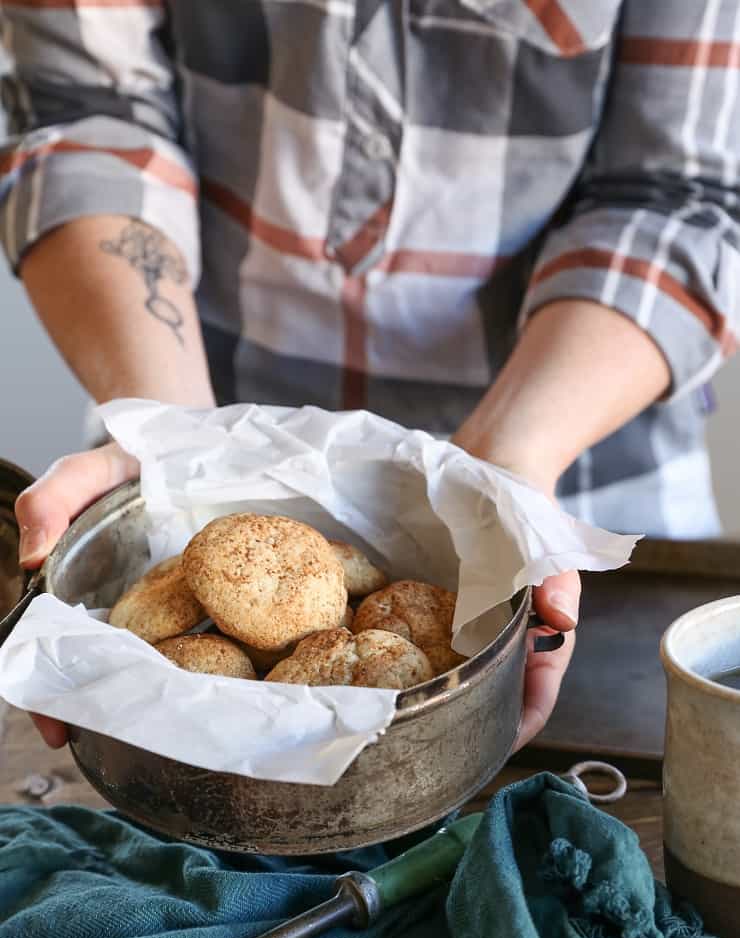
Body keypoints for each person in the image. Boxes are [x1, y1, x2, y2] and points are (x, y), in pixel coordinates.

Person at [1, 2, 738, 752]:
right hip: (185, 455)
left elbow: (677, 198)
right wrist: (171, 437)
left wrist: (505, 475)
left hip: (571, 492)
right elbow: (86, 117)